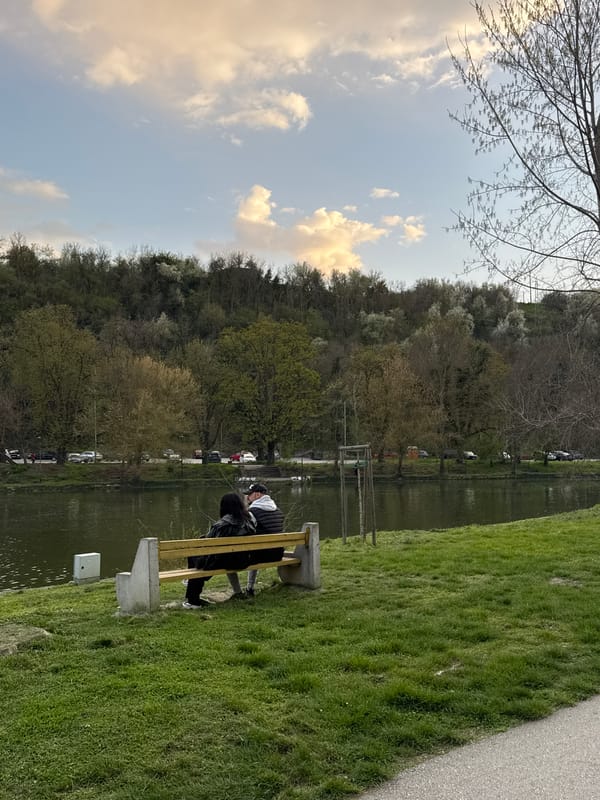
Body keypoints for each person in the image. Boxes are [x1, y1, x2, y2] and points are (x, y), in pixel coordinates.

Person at [183, 491, 256, 609]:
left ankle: (193, 600)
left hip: (225, 561)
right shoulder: (249, 522)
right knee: (199, 559)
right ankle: (192, 588)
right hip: (243, 560)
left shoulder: (221, 524)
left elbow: (209, 543)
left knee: (194, 555)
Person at [243, 483, 285, 596]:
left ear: (257, 495)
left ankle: (249, 588)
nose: (248, 497)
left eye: (249, 495)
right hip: (277, 554)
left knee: (252, 550)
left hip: (261, 555)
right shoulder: (277, 510)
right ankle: (249, 588)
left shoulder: (252, 512)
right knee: (256, 547)